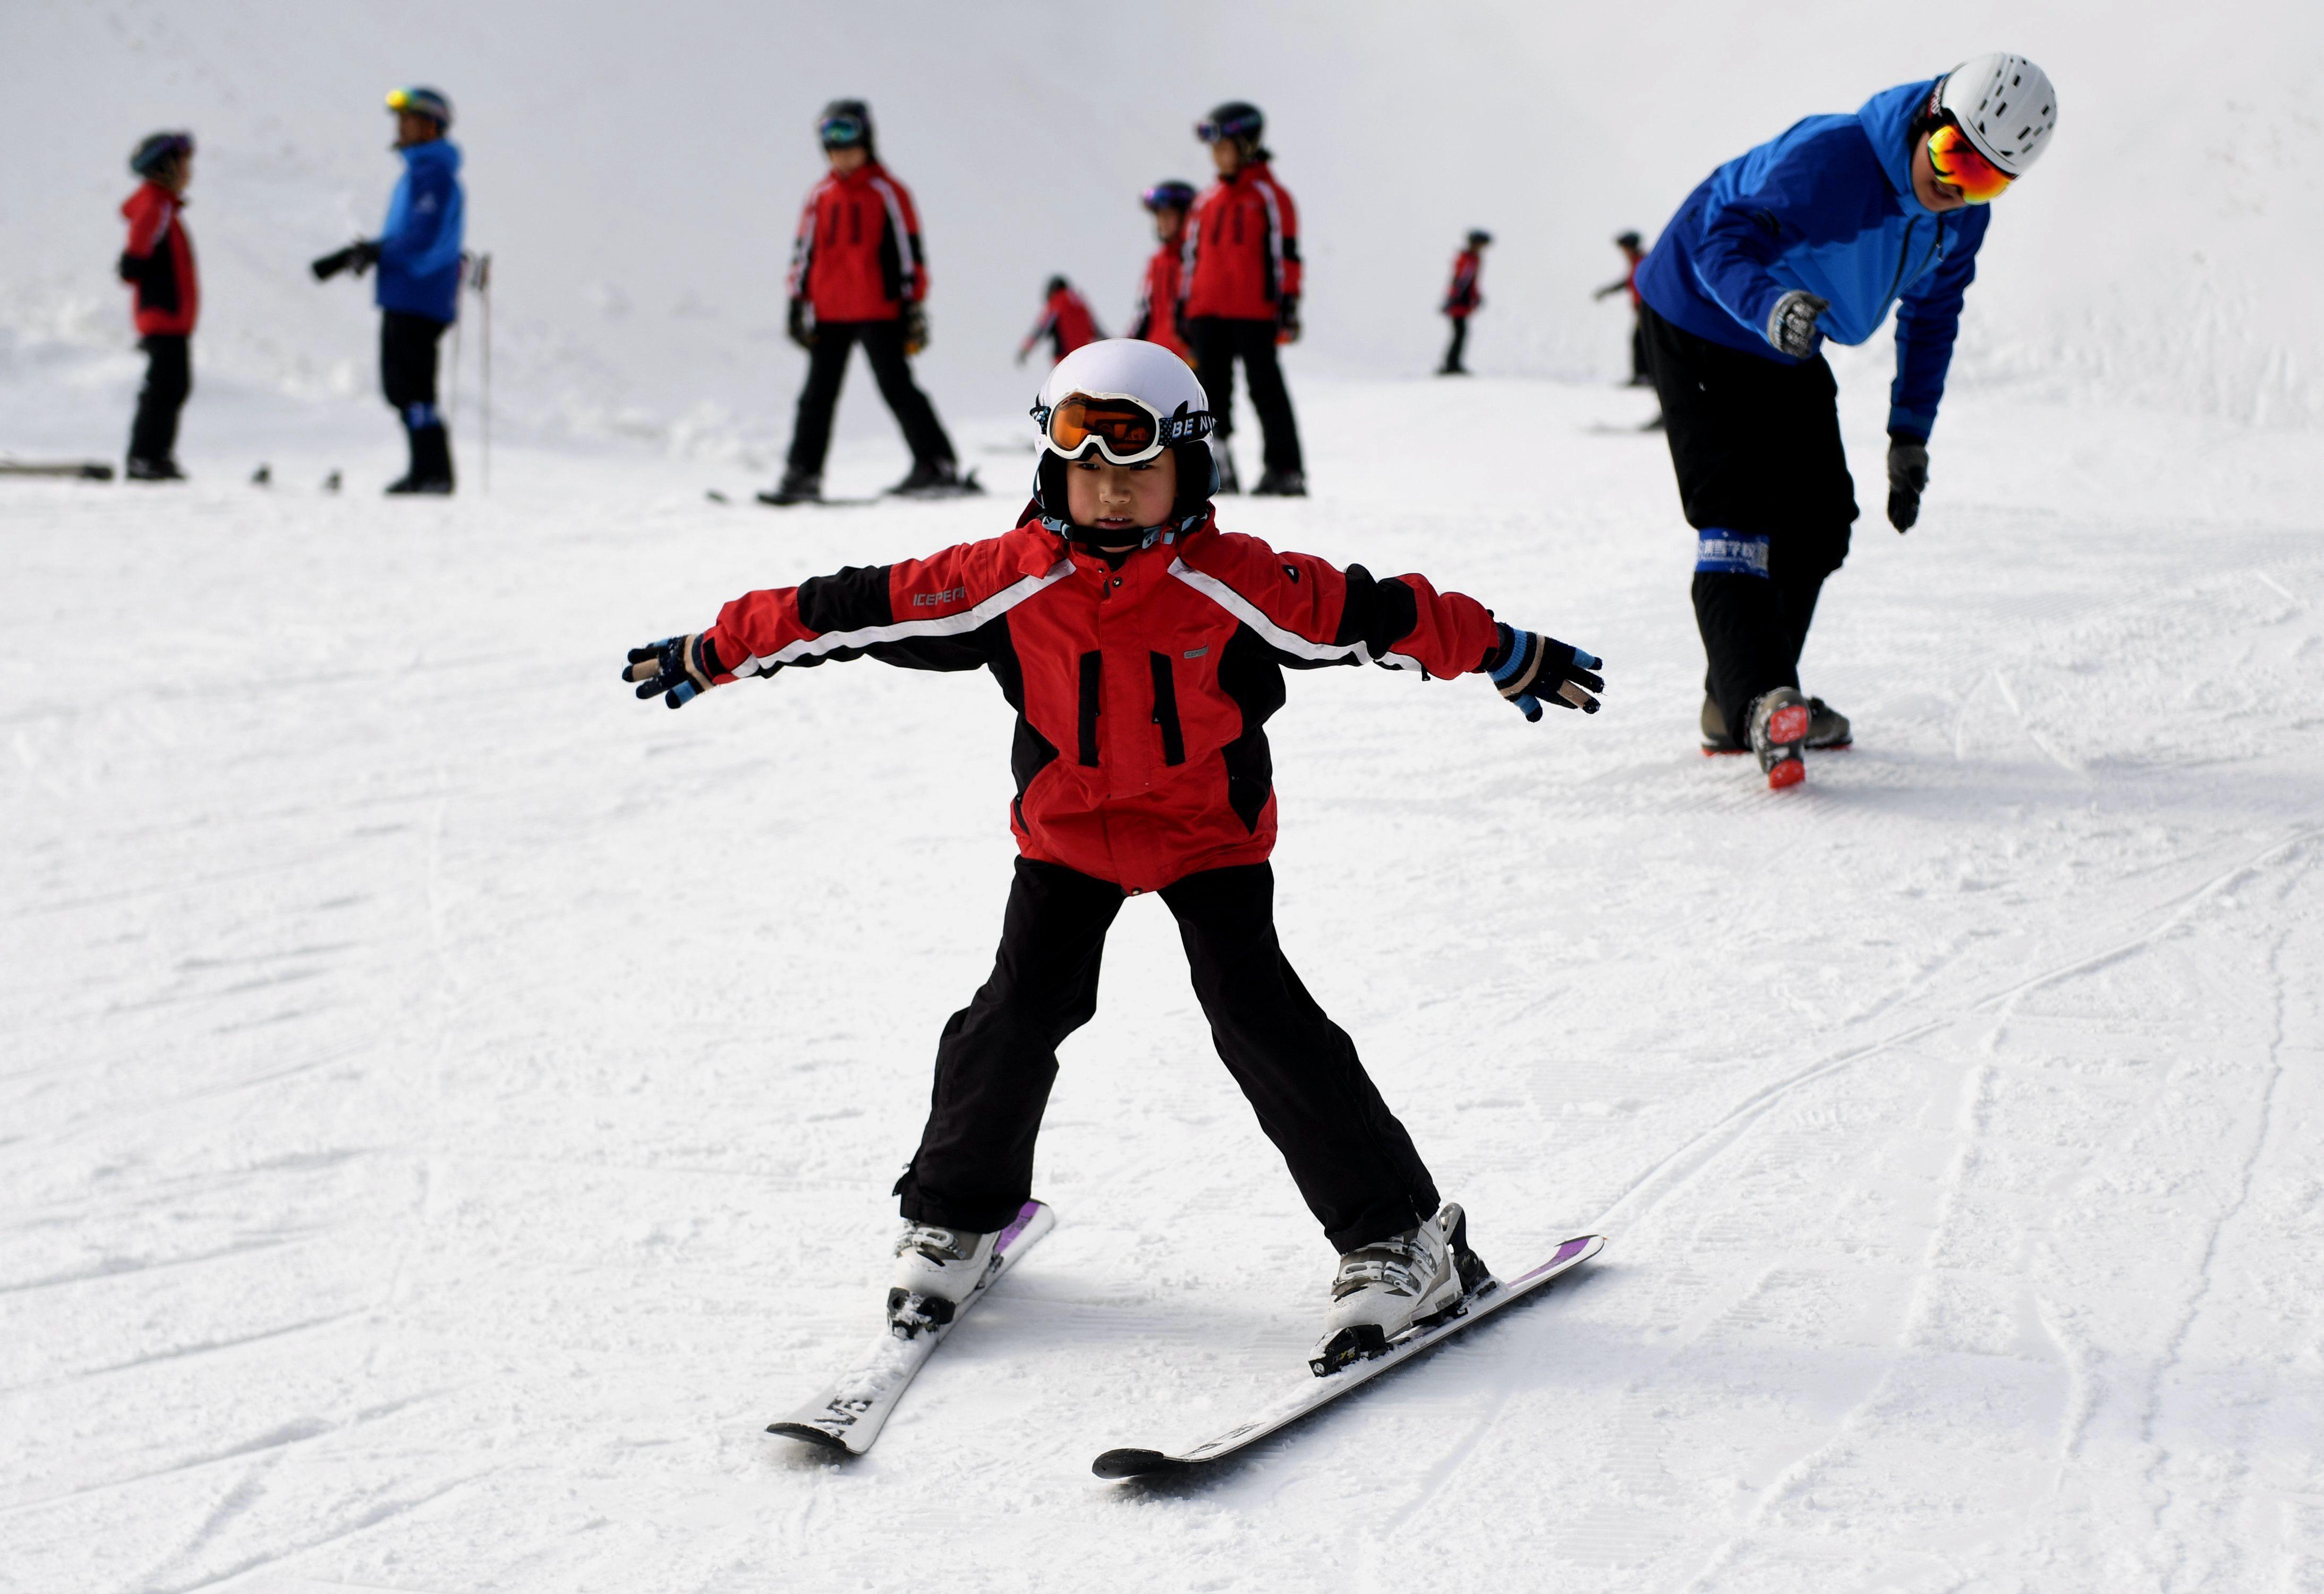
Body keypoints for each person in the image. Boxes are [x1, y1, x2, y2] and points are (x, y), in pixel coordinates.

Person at [622, 340, 1606, 1368]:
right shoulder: (1007, 580)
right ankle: (960, 1217)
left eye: (1139, 471)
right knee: (1014, 1015)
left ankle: (1401, 1238)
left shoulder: (1236, 581)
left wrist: (1502, 650)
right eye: (1087, 470)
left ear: (1190, 469)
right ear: (1052, 471)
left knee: (1260, 1017)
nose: (1112, 493)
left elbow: (1377, 612)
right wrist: (721, 646)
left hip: (1207, 836)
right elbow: (849, 607)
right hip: (1069, 836)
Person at [1633, 54, 2056, 789]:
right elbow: (1716, 238)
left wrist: (1908, 435)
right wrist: (1766, 307)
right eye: (1953, 155)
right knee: (1735, 516)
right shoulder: (1833, 159)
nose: (1955, 187)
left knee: (1821, 518)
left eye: (1985, 178)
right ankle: (1757, 701)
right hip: (1702, 310)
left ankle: (1746, 698)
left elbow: (1931, 318)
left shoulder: (1957, 225)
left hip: (1788, 328)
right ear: (1930, 115)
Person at [765, 99, 968, 505]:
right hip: (829, 312)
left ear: (867, 142)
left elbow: (910, 252)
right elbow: (803, 252)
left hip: (879, 310)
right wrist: (795, 301)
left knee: (897, 388)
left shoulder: (888, 193)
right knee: (815, 397)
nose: (841, 154)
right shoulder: (820, 195)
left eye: (849, 143)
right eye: (832, 145)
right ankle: (802, 474)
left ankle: (936, 464)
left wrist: (912, 304)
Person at [313, 87, 465, 495]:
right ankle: (427, 471)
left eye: (409, 119)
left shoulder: (432, 175)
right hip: (408, 294)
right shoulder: (420, 174)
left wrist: (378, 251)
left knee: (412, 388)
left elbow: (420, 237)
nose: (400, 127)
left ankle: (432, 473)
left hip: (417, 295)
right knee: (405, 388)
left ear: (431, 125)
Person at [1178, 102, 1305, 496]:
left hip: (1253, 310)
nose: (1217, 156)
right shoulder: (1205, 200)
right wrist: (1183, 306)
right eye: (1213, 148)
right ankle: (1217, 466)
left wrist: (1288, 305)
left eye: (1225, 146)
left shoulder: (1270, 196)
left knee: (1265, 388)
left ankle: (1284, 469)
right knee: (1210, 392)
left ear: (1248, 145)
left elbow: (1286, 255)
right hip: (1205, 311)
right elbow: (1190, 259)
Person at [117, 131, 198, 481]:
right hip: (162, 315)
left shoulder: (164, 205)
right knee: (164, 388)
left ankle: (156, 456)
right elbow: (133, 261)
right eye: (183, 163)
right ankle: (144, 458)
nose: (188, 171)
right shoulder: (156, 205)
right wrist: (138, 264)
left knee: (174, 386)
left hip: (170, 317)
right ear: (164, 166)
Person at [1125, 180, 1194, 364]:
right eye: (1159, 216)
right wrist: (1127, 348)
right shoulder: (1157, 262)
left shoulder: (1195, 260)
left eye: (1168, 216)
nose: (1161, 222)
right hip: (1155, 358)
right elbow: (1144, 313)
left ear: (1185, 218)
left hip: (1189, 360)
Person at [1593, 231, 1652, 387]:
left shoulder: (1641, 262)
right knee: (1641, 341)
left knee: (1641, 341)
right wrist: (1607, 291)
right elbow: (1628, 283)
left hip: (1646, 310)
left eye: (1624, 248)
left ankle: (1645, 375)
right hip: (1643, 310)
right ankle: (1644, 375)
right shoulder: (1636, 262)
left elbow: (1643, 285)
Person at [1016, 276, 1103, 365]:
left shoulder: (1057, 303)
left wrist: (1026, 349)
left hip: (1065, 361)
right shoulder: (1080, 303)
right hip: (1085, 357)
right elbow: (1096, 330)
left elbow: (1041, 328)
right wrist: (1114, 343)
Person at [1438, 229, 1489, 376]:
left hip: (1461, 301)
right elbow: (1462, 281)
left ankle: (1453, 363)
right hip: (1459, 302)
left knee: (1460, 333)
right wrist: (1454, 299)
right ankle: (1452, 365)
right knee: (1460, 332)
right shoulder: (1469, 259)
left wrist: (1475, 297)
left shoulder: (1471, 258)